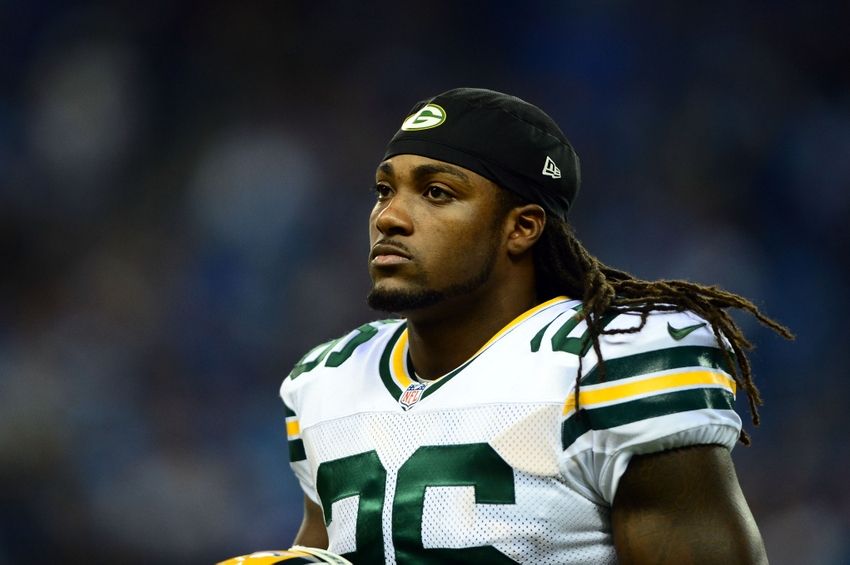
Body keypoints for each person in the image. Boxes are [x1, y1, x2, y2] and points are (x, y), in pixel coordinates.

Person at [280, 88, 792, 564]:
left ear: (522, 227)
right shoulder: (327, 379)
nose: (389, 217)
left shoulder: (609, 360)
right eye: (384, 189)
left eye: (436, 192)